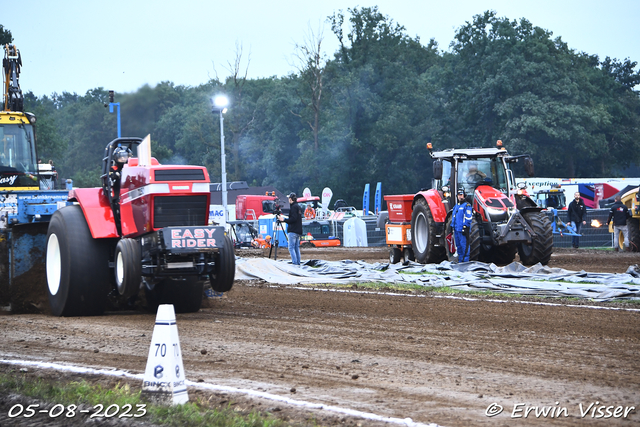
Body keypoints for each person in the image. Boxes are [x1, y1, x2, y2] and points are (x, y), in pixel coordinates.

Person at [277, 192, 303, 265]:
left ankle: (295, 263)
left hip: (293, 230)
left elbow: (293, 219)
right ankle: (298, 263)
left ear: (291, 199)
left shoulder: (293, 207)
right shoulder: (298, 207)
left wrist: (284, 220)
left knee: (291, 248)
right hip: (298, 230)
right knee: (296, 248)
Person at [451, 188, 473, 262]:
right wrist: (452, 227)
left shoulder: (467, 206)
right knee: (459, 247)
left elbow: (468, 217)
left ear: (464, 195)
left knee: (465, 248)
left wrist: (465, 227)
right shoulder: (456, 206)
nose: (460, 197)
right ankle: (460, 263)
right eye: (459, 195)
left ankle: (465, 263)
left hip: (463, 230)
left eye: (461, 195)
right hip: (456, 230)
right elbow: (454, 218)